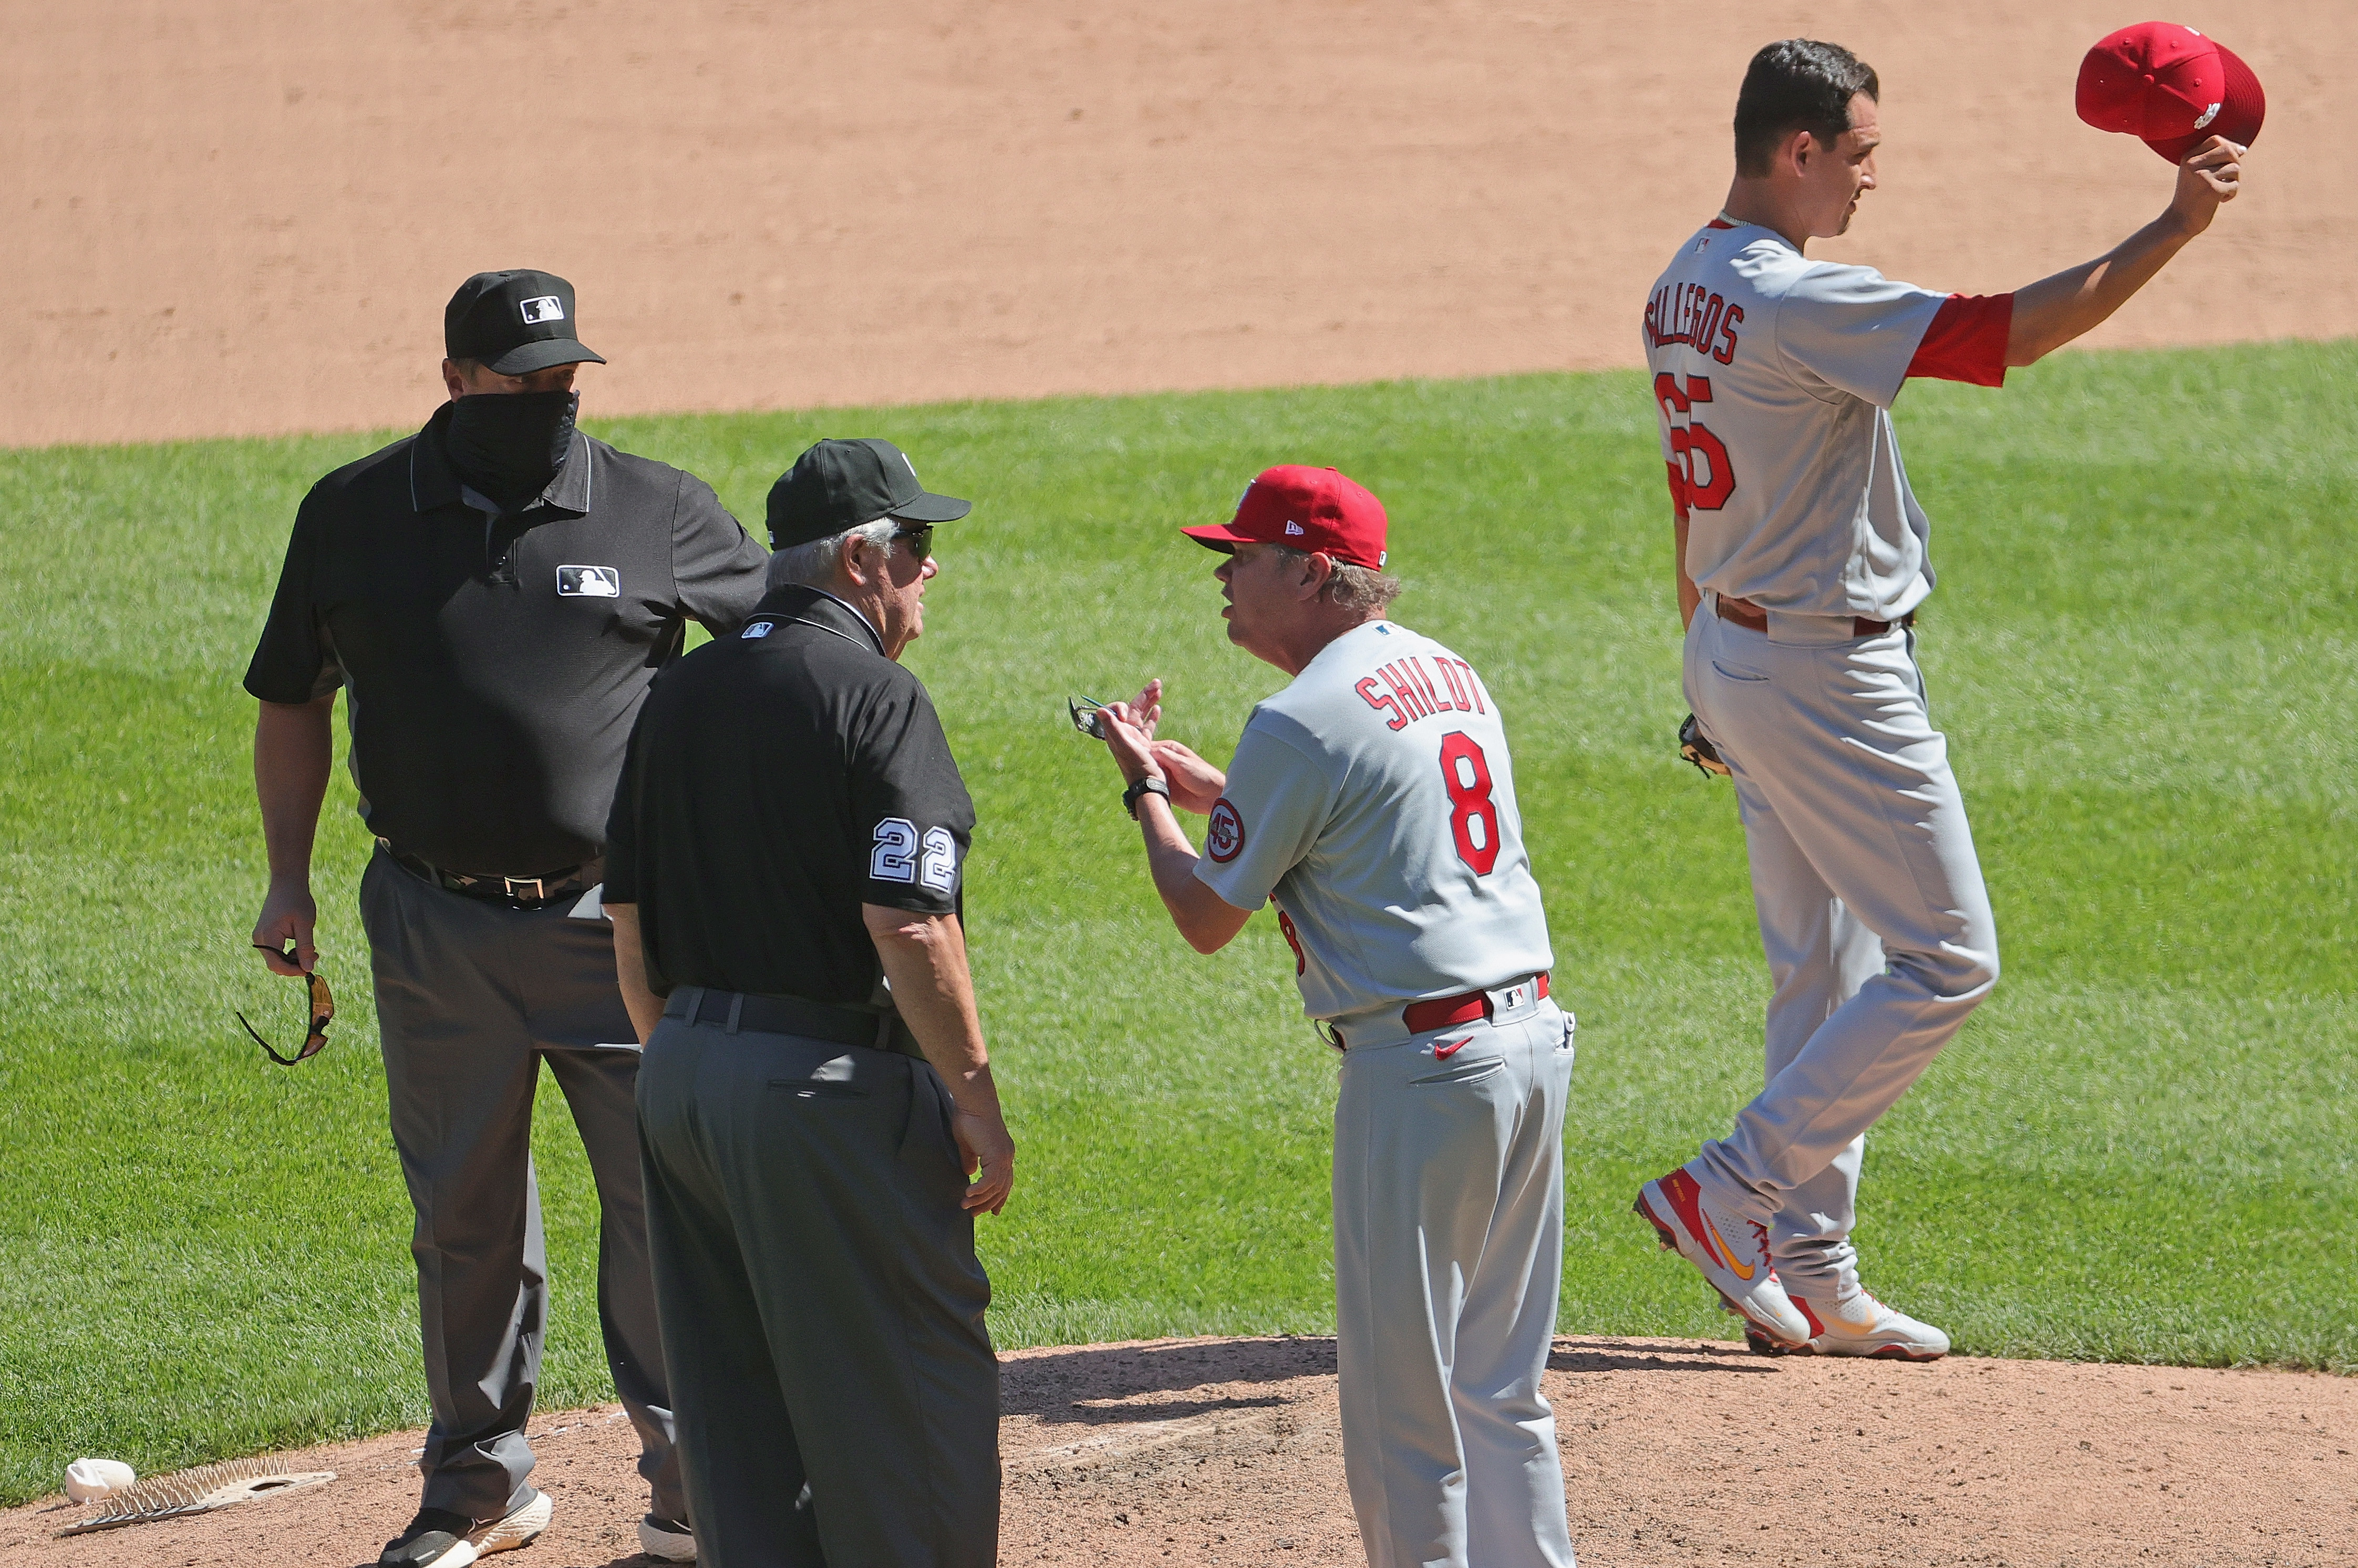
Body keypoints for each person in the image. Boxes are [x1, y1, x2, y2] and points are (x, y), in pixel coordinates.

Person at [1635, 38, 2248, 1358]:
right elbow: (2006, 332)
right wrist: (2175, 226)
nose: (1870, 181)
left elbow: (1693, 491)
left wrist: (1706, 672)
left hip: (1737, 649)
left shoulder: (1681, 284)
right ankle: (1727, 1188)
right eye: (1859, 154)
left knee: (1827, 967)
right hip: (1825, 669)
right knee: (1947, 957)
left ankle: (1809, 1264)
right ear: (1798, 151)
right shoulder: (1798, 299)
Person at [244, 269, 769, 1566]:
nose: (547, 401)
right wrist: (287, 877)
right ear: (455, 381)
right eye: (520, 381)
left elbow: (791, 651)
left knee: (666, 1208)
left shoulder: (657, 509)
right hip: (430, 924)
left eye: (563, 381)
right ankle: (476, 1486)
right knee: (465, 1218)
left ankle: (696, 1484)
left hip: (625, 927)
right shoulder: (355, 514)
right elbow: (291, 697)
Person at [1089, 465, 1576, 1568]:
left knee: (1402, 1411)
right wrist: (1230, 792)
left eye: (1244, 556)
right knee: (1501, 1386)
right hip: (1531, 1043)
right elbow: (1374, 818)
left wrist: (1146, 793)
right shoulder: (1446, 667)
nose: (1223, 574)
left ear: (1313, 571)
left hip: (1426, 1072)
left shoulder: (1301, 715)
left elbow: (1204, 913)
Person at [605, 437, 1015, 1568]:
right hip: (825, 1093)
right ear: (858, 557)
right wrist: (974, 1096)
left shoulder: (677, 689)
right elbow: (912, 920)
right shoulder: (876, 697)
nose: (931, 568)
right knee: (908, 1416)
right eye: (917, 544)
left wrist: (693, 1070)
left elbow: (628, 919)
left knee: (743, 1433)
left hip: (683, 1078)